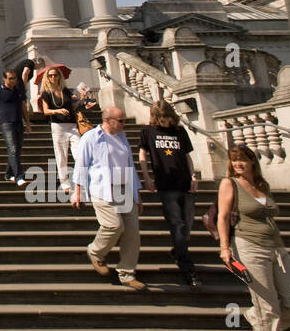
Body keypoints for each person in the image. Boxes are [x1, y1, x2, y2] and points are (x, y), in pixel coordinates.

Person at [218, 143, 290, 331]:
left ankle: (256, 318)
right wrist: (224, 249)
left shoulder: (262, 185)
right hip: (248, 246)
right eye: (233, 160)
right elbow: (221, 216)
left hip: (277, 249)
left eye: (242, 159)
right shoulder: (229, 183)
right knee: (269, 308)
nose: (237, 163)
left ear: (252, 161)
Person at [72, 105, 147, 290]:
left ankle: (127, 273)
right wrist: (77, 191)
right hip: (102, 189)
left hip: (125, 189)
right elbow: (81, 165)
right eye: (120, 121)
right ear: (107, 120)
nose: (124, 124)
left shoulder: (122, 138)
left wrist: (137, 193)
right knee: (114, 225)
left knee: (132, 233)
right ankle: (95, 251)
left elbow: (130, 166)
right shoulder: (91, 137)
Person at [139, 98, 201, 287]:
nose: (165, 120)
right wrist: (147, 178)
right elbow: (142, 155)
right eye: (161, 117)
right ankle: (187, 268)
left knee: (188, 223)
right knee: (177, 224)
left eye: (167, 116)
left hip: (185, 182)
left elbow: (187, 156)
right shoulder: (148, 132)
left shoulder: (179, 131)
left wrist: (193, 176)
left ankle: (178, 250)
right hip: (166, 184)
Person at [38, 66, 78, 195]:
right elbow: (45, 111)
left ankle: (79, 180)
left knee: (79, 153)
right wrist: (57, 111)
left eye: (55, 75)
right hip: (58, 125)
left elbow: (73, 107)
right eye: (50, 76)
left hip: (72, 125)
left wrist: (81, 99)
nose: (53, 77)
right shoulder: (46, 93)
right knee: (61, 156)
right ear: (47, 78)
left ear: (60, 76)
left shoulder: (66, 91)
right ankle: (65, 182)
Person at [0, 69, 29, 185]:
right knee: (13, 149)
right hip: (6, 123)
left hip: (18, 123)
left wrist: (27, 124)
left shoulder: (19, 91)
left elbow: (24, 108)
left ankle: (8, 174)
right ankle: (19, 176)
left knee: (16, 151)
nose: (13, 80)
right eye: (10, 78)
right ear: (4, 79)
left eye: (15, 78)